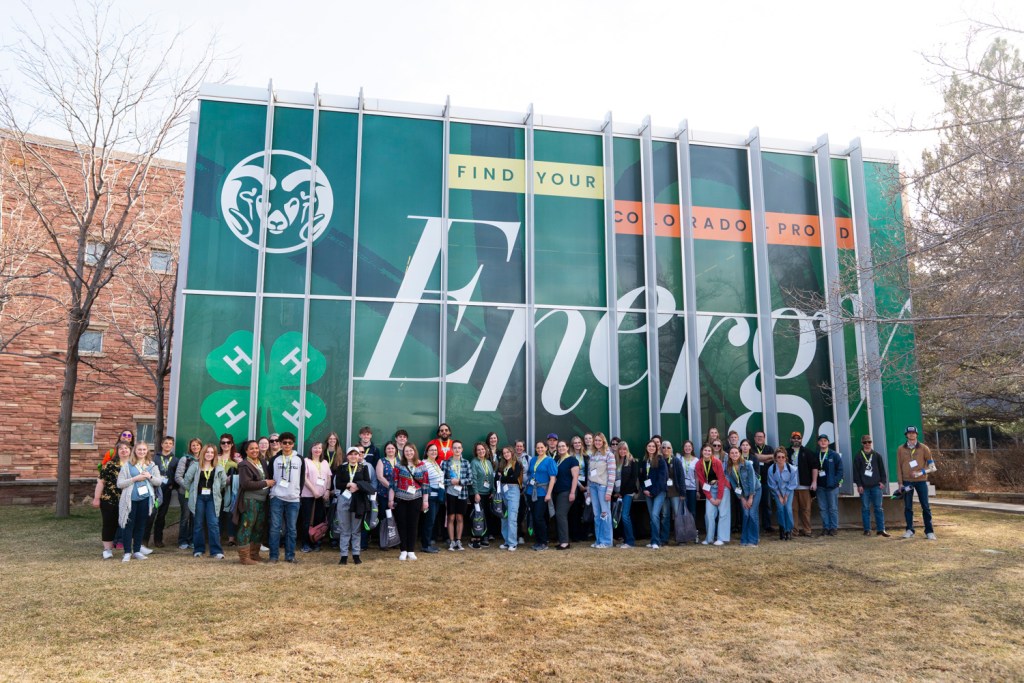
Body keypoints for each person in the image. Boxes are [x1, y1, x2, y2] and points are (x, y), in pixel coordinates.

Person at [117, 442, 165, 561]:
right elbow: (120, 483)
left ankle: (137, 551)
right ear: (135, 451)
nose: (142, 452)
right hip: (130, 500)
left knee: (141, 525)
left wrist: (150, 476)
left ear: (147, 451)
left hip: (146, 499)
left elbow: (158, 482)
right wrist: (135, 479)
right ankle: (127, 552)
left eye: (144, 450)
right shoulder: (128, 465)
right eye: (139, 449)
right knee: (129, 525)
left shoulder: (152, 466)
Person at [183, 444, 227, 559]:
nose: (209, 454)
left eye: (212, 452)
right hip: (199, 498)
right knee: (198, 524)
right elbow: (187, 480)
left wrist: (216, 491)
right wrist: (192, 491)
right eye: (207, 452)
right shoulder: (195, 466)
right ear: (203, 453)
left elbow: (223, 483)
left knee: (213, 524)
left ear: (215, 455)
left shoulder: (219, 467)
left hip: (212, 498)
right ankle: (198, 549)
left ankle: (216, 551)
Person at [333, 445, 375, 565]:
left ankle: (356, 555)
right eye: (351, 454)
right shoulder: (341, 468)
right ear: (347, 456)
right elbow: (338, 484)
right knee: (344, 529)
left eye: (355, 454)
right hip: (344, 499)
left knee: (356, 529)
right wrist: (348, 484)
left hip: (358, 500)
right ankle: (344, 556)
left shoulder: (363, 468)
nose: (353, 456)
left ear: (359, 456)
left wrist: (357, 486)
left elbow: (367, 483)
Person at [234, 439, 274, 565]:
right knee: (246, 526)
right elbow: (246, 484)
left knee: (259, 527)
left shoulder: (262, 461)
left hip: (262, 500)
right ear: (246, 451)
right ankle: (244, 557)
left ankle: (254, 555)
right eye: (251, 448)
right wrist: (265, 483)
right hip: (250, 501)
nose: (255, 450)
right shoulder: (244, 465)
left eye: (256, 448)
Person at [268, 432, 304, 563]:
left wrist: (297, 494)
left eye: (289, 443)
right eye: (284, 443)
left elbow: (302, 478)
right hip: (277, 497)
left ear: (293, 444)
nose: (287, 445)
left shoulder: (299, 459)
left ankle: (290, 556)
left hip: (293, 499)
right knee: (275, 527)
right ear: (280, 444)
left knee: (292, 529)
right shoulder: (275, 459)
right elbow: (270, 476)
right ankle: (273, 556)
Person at [93, 440, 131, 559]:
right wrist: (96, 498)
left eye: (126, 448)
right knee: (109, 524)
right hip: (110, 500)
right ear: (117, 451)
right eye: (121, 449)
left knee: (128, 524)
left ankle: (130, 549)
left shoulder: (135, 465)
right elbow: (101, 482)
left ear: (130, 450)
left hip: (128, 500)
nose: (124, 450)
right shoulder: (110, 465)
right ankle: (107, 550)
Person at [897, 426, 936, 540]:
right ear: (906, 435)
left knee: (925, 506)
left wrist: (921, 473)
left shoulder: (924, 448)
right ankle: (909, 530)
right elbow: (898, 467)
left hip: (921, 481)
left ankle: (929, 531)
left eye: (913, 433)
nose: (911, 435)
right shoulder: (901, 449)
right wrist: (900, 483)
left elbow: (933, 467)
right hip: (907, 481)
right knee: (908, 507)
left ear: (917, 434)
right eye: (909, 433)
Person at [394, 443, 429, 561]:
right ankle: (403, 550)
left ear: (414, 451)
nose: (409, 453)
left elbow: (425, 484)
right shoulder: (399, 465)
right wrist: (390, 499)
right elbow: (393, 484)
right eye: (406, 451)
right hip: (401, 499)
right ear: (403, 453)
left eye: (411, 451)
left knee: (413, 525)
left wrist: (425, 501)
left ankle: (411, 550)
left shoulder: (422, 465)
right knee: (402, 524)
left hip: (416, 498)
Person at [144, 435, 178, 548]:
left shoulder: (176, 459)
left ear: (172, 446)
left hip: (166, 491)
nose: (168, 445)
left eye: (170, 443)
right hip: (154, 490)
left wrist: (172, 486)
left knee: (162, 516)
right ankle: (145, 540)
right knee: (151, 515)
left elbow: (177, 475)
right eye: (166, 443)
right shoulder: (154, 458)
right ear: (161, 444)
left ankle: (158, 540)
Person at [853, 434, 889, 537]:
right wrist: (859, 485)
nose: (867, 444)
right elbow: (856, 473)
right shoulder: (858, 456)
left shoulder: (877, 455)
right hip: (864, 487)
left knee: (878, 508)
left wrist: (883, 481)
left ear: (871, 443)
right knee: (865, 508)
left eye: (869, 442)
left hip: (876, 486)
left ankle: (881, 529)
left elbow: (882, 469)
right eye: (865, 442)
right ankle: (867, 529)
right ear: (862, 443)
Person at [726, 445, 761, 547]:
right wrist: (741, 498)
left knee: (752, 514)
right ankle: (744, 540)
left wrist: (750, 497)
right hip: (743, 494)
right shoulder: (729, 468)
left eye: (736, 453)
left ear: (740, 453)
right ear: (729, 456)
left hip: (755, 491)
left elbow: (752, 481)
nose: (734, 455)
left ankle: (753, 540)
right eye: (732, 453)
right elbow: (733, 484)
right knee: (745, 514)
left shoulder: (747, 464)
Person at [525, 441, 558, 551]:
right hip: (531, 491)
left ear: (546, 448)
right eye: (538, 448)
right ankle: (538, 541)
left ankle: (544, 542)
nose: (539, 449)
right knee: (534, 516)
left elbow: (553, 479)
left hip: (542, 492)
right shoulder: (533, 459)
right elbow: (530, 474)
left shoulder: (550, 461)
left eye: (542, 447)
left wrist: (549, 493)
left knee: (539, 517)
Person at [300, 441, 332, 553]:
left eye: (319, 448)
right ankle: (305, 543)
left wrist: (327, 490)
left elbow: (328, 478)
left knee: (319, 520)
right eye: (315, 448)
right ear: (311, 449)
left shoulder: (325, 462)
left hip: (321, 496)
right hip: (308, 495)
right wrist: (314, 491)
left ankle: (316, 542)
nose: (317, 450)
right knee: (307, 520)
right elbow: (304, 478)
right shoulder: (306, 461)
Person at [696, 443, 730, 545]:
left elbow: (721, 479)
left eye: (709, 451)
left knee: (723, 513)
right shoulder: (698, 464)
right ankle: (709, 538)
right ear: (702, 452)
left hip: (722, 488)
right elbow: (702, 482)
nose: (707, 452)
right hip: (709, 489)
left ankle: (721, 538)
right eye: (705, 450)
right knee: (709, 514)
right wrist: (710, 498)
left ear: (712, 453)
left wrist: (719, 498)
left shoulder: (717, 462)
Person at [787, 431, 817, 537]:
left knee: (806, 510)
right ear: (791, 439)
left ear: (801, 439)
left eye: (798, 438)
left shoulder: (808, 452)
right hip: (791, 487)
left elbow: (814, 467)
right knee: (793, 509)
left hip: (805, 486)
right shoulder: (786, 452)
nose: (796, 440)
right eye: (794, 438)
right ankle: (794, 531)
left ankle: (807, 530)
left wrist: (814, 482)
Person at [589, 432, 616, 549]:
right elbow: (590, 473)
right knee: (596, 515)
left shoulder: (609, 455)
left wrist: (609, 492)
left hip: (603, 487)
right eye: (596, 440)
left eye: (600, 440)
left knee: (605, 514)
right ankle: (599, 540)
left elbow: (612, 474)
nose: (597, 442)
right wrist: (588, 491)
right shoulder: (593, 454)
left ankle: (606, 541)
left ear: (603, 441)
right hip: (593, 487)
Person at [443, 440, 471, 551]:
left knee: (459, 517)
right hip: (450, 493)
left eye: (459, 448)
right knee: (451, 517)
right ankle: (452, 541)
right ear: (451, 449)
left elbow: (470, 480)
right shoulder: (446, 463)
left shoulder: (466, 463)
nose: (457, 450)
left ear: (462, 449)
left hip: (462, 494)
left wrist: (459, 481)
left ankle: (458, 541)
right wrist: (451, 481)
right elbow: (442, 480)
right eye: (454, 448)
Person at [552, 439, 580, 550]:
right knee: (559, 515)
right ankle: (562, 540)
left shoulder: (572, 460)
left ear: (567, 447)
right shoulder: (558, 460)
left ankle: (565, 542)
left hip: (567, 491)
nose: (561, 448)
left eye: (563, 446)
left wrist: (572, 492)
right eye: (559, 447)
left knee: (560, 514)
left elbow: (575, 477)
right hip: (559, 491)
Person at [813, 434, 843, 537]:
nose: (823, 442)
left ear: (828, 442)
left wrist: (835, 481)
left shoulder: (834, 455)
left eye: (825, 440)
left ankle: (833, 528)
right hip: (820, 487)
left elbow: (840, 470)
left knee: (833, 508)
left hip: (832, 487)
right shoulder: (815, 455)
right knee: (823, 508)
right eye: (821, 440)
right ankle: (825, 527)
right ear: (818, 443)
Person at [641, 439, 668, 549]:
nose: (651, 448)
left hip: (659, 492)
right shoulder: (644, 461)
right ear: (646, 448)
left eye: (653, 446)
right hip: (648, 493)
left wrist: (653, 492)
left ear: (656, 448)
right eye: (649, 446)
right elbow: (642, 477)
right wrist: (644, 489)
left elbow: (662, 479)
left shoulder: (660, 460)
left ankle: (656, 541)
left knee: (655, 515)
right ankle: (654, 540)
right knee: (652, 517)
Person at [175, 438, 201, 550]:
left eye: (197, 445)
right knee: (185, 516)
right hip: (185, 492)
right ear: (190, 447)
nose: (195, 447)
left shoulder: (204, 459)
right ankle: (182, 540)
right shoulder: (184, 459)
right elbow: (178, 477)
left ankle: (192, 540)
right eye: (193, 445)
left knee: (195, 517)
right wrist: (189, 487)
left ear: (201, 446)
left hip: (198, 493)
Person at [470, 441, 497, 548]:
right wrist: (476, 493)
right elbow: (474, 479)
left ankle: (484, 536)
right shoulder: (474, 462)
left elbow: (491, 478)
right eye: (479, 450)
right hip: (477, 494)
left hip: (487, 493)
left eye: (483, 449)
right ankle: (475, 538)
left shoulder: (489, 463)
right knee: (477, 516)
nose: (481, 451)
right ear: (476, 452)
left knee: (486, 515)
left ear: (486, 450)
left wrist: (493, 490)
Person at [767, 447, 798, 540]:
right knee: (780, 509)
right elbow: (772, 484)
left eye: (782, 457)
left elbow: (793, 483)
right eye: (778, 457)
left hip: (788, 491)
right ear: (775, 458)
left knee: (788, 509)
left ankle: (789, 530)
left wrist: (786, 495)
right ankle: (782, 528)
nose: (780, 459)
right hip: (777, 492)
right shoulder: (771, 469)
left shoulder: (791, 469)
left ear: (785, 458)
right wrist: (779, 496)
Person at [420, 443, 445, 553]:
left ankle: (429, 543)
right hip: (429, 497)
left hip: (438, 497)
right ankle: (425, 545)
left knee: (432, 521)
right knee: (429, 521)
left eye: (435, 450)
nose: (434, 452)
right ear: (427, 452)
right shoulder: (424, 463)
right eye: (431, 450)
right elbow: (422, 480)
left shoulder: (436, 463)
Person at [614, 440, 639, 549]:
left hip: (628, 493)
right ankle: (625, 539)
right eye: (620, 449)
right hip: (618, 493)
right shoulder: (616, 461)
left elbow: (633, 479)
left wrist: (621, 493)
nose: (622, 451)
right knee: (620, 517)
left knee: (625, 516)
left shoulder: (632, 461)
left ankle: (630, 541)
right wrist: (616, 492)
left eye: (625, 449)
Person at [497, 446, 523, 551]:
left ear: (512, 452)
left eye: (508, 452)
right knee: (504, 517)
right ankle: (507, 542)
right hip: (503, 491)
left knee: (512, 517)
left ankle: (513, 543)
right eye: (504, 453)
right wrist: (504, 478)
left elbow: (514, 478)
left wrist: (502, 477)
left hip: (513, 491)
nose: (506, 454)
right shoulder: (503, 465)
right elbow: (497, 478)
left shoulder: (517, 464)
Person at [375, 441, 399, 550]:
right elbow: (380, 477)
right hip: (384, 494)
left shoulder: (400, 461)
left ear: (396, 450)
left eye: (392, 448)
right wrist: (391, 487)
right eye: (388, 448)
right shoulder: (381, 461)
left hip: (398, 495)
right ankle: (384, 541)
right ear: (385, 450)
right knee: (384, 517)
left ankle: (394, 541)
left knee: (396, 518)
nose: (390, 450)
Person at [752, 430, 775, 533]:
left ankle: (767, 526)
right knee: (754, 505)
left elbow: (774, 459)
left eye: (761, 436)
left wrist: (760, 458)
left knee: (767, 504)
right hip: (754, 482)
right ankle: (755, 526)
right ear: (754, 438)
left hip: (766, 481)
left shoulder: (769, 448)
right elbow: (755, 457)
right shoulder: (751, 449)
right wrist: (767, 457)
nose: (759, 438)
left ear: (764, 438)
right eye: (757, 436)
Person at [661, 441, 683, 545]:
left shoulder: (676, 461)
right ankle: (664, 539)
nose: (666, 450)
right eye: (664, 447)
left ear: (672, 449)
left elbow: (681, 477)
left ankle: (680, 538)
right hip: (663, 493)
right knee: (665, 515)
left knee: (678, 515)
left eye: (668, 448)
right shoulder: (659, 461)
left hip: (675, 492)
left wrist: (682, 493)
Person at [680, 440, 698, 524]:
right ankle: (684, 531)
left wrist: (697, 490)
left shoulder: (696, 460)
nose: (687, 448)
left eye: (689, 446)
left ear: (692, 448)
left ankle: (692, 531)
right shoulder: (679, 459)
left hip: (692, 488)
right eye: (686, 446)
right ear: (683, 448)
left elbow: (697, 476)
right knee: (682, 510)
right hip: (682, 489)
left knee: (692, 510)